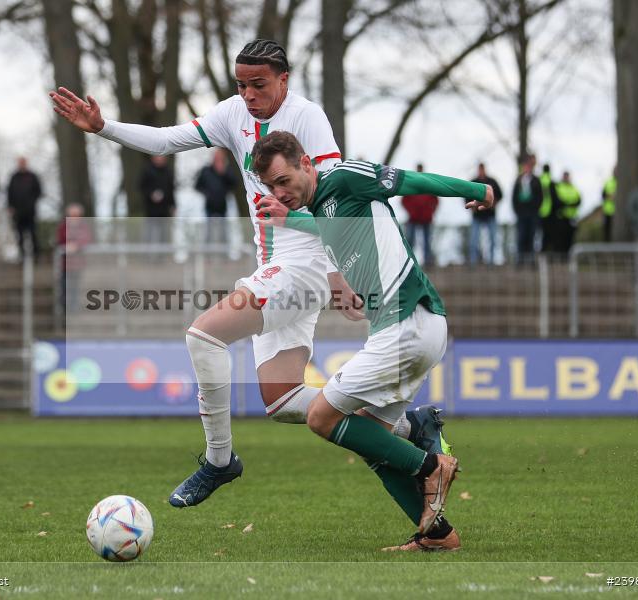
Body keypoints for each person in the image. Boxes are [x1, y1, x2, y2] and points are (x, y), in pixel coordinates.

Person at [50, 39, 447, 510]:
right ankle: (410, 428)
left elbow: (335, 201)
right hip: (277, 269)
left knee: (204, 335)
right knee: (283, 401)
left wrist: (339, 274)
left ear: (284, 79)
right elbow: (166, 139)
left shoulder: (307, 118)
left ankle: (219, 461)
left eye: (259, 84)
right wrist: (102, 127)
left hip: (305, 265)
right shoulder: (231, 114)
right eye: (241, 85)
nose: (249, 94)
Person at [251, 131, 494, 551]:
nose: (280, 191)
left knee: (320, 417)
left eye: (284, 180)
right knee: (369, 438)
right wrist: (289, 219)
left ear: (306, 163)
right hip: (405, 330)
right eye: (271, 186)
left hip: (409, 323)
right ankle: (437, 535)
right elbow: (323, 223)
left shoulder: (345, 176)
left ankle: (431, 464)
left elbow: (410, 182)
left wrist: (476, 190)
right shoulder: (325, 208)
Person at [196, 150, 238, 246]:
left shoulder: (227, 170)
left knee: (224, 232)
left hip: (223, 205)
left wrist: (224, 173)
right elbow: (197, 186)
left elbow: (235, 183)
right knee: (208, 232)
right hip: (209, 205)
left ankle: (225, 255)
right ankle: (208, 255)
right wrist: (207, 193)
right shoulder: (206, 170)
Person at [400, 163, 438, 265]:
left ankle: (428, 261)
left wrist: (431, 211)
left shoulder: (428, 183)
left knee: (427, 242)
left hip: (426, 218)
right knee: (410, 241)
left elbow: (436, 200)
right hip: (413, 218)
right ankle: (409, 262)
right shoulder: (411, 183)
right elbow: (404, 200)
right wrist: (411, 211)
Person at [56, 203, 92, 313]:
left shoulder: (84, 226)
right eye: (72, 215)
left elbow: (86, 239)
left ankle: (73, 309)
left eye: (77, 215)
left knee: (75, 287)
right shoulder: (63, 226)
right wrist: (68, 245)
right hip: (65, 264)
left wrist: (76, 245)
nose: (74, 217)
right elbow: (59, 240)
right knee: (64, 288)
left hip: (77, 264)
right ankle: (64, 311)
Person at [7, 157, 43, 261]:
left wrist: (32, 202)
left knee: (33, 233)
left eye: (23, 163)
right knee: (19, 234)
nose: (22, 164)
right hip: (17, 212)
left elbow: (38, 191)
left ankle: (36, 255)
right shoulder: (14, 177)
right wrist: (10, 206)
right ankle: (22, 254)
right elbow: (9, 193)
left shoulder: (32, 176)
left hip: (30, 211)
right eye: (20, 163)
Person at [468, 162, 502, 265]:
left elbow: (500, 195)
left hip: (490, 215)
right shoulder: (473, 182)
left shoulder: (492, 182)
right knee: (474, 240)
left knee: (492, 239)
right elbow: (466, 197)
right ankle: (473, 262)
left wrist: (494, 203)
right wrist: (471, 208)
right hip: (477, 215)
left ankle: (491, 261)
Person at [139, 154, 176, 249]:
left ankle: (162, 257)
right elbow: (141, 187)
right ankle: (148, 256)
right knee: (150, 233)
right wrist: (151, 194)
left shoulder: (168, 172)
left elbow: (171, 190)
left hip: (164, 209)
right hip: (151, 209)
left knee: (164, 233)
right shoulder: (147, 171)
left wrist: (173, 205)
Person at [511, 155, 542, 265]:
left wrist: (535, 209)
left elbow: (540, 196)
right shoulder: (518, 180)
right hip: (521, 214)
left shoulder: (536, 180)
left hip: (532, 214)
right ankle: (520, 260)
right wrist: (517, 211)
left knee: (532, 237)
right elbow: (514, 197)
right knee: (521, 236)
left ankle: (531, 260)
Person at [553, 170, 581, 255]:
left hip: (571, 217)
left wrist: (567, 203)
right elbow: (557, 201)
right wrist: (569, 203)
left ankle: (569, 256)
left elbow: (578, 201)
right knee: (560, 238)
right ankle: (561, 256)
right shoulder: (558, 187)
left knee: (570, 238)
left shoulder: (574, 188)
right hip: (561, 217)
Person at [538, 164, 558, 254]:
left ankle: (542, 252)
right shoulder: (551, 181)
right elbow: (555, 197)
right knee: (549, 234)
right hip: (550, 211)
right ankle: (547, 251)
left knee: (540, 234)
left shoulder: (539, 180)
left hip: (539, 210)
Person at [602, 167, 617, 242]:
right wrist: (610, 196)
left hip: (618, 212)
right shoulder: (608, 182)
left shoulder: (622, 181)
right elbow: (603, 195)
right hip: (608, 211)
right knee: (607, 233)